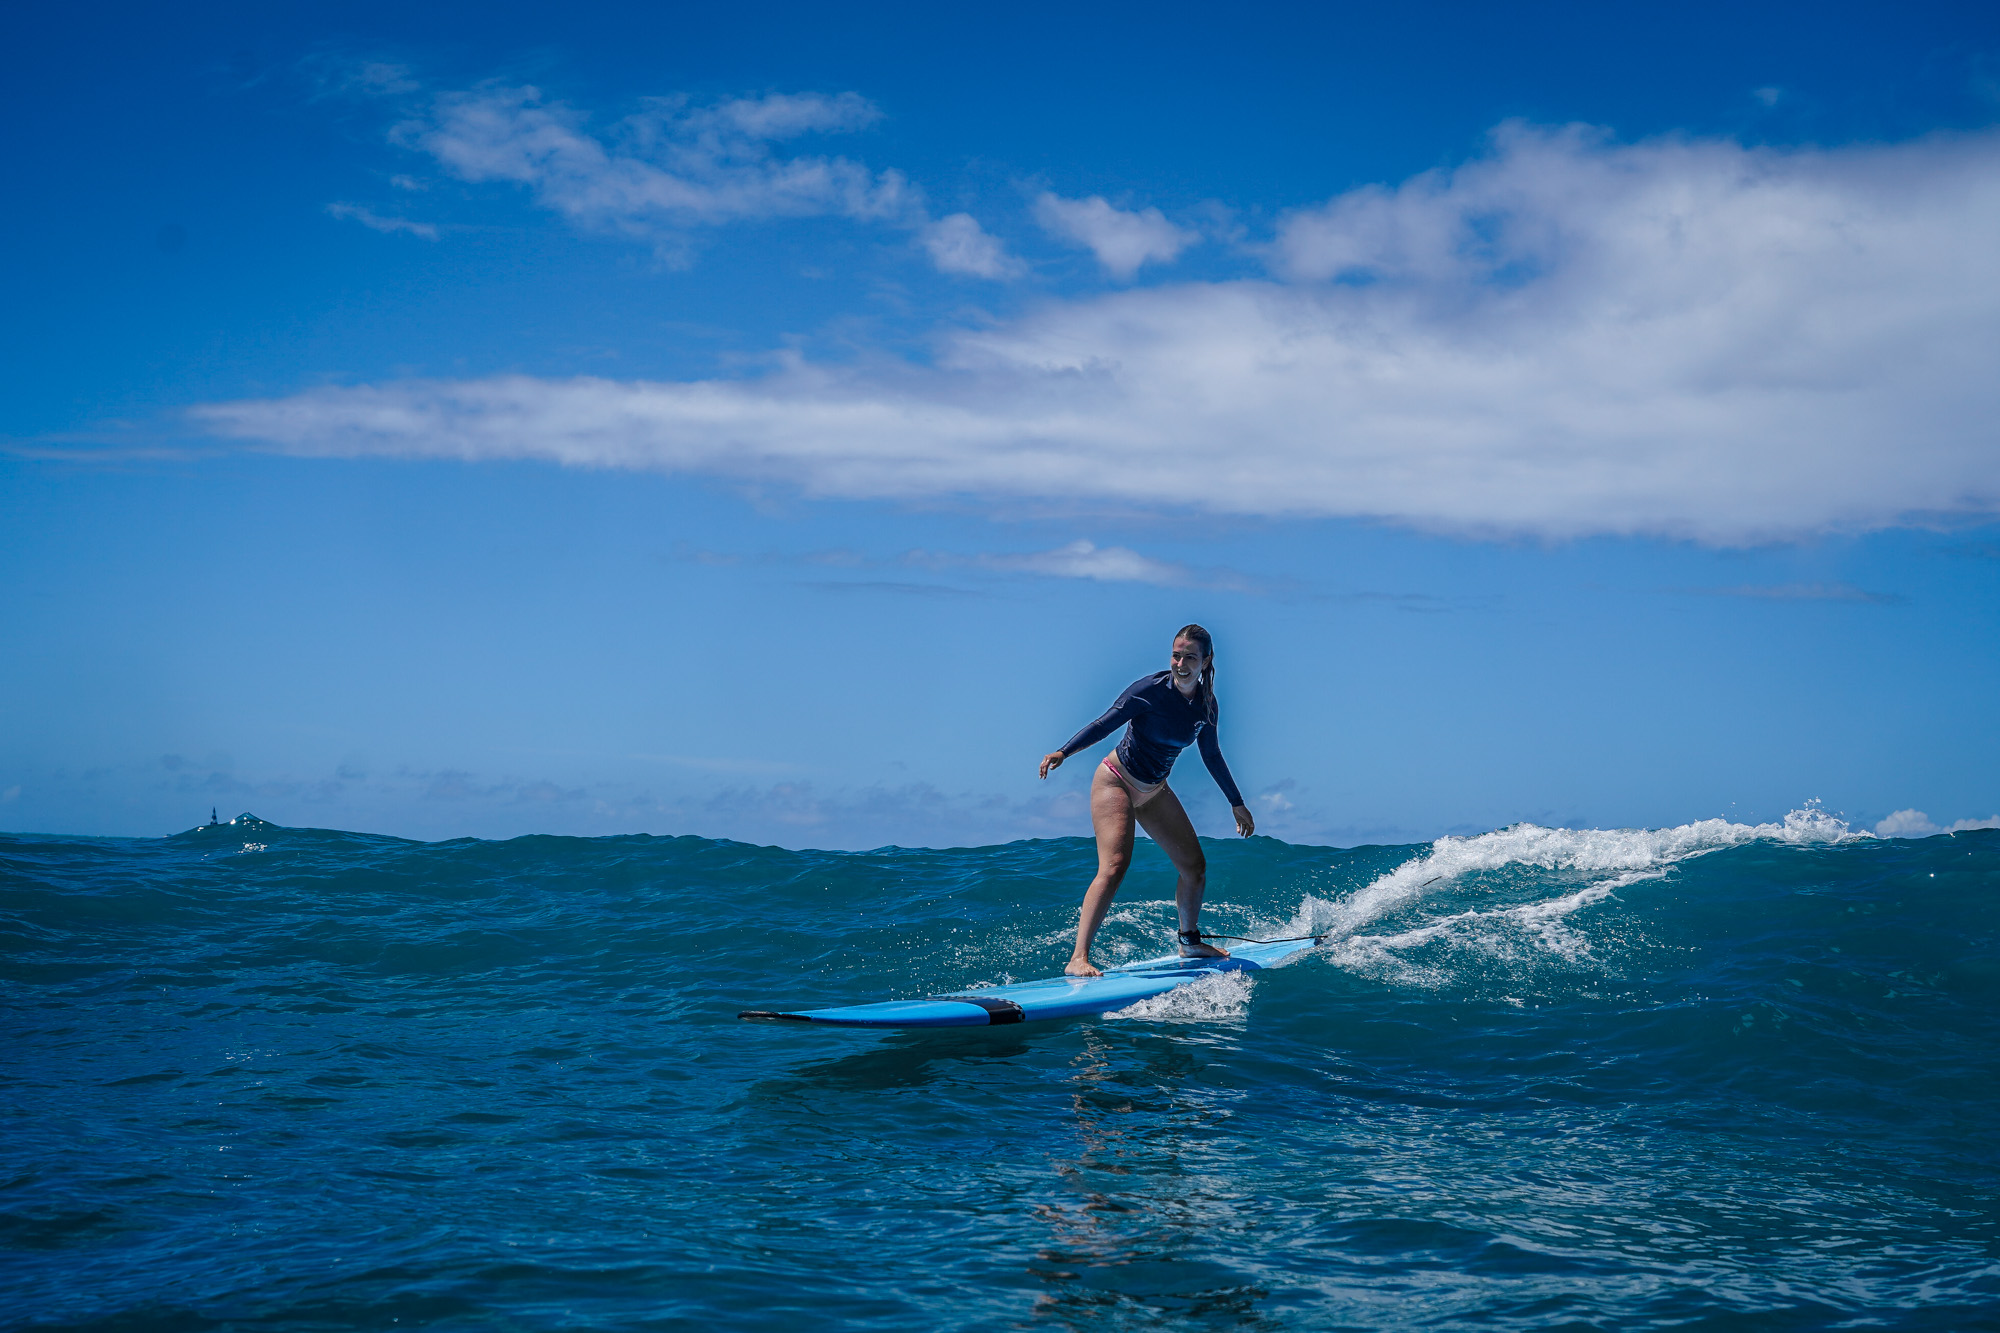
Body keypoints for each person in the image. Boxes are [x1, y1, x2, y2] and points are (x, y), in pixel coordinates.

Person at [1039, 624, 1254, 977]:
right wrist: (1064, 751)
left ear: (1206, 661)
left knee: (1194, 868)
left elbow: (1212, 754)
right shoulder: (1149, 691)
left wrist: (1236, 801)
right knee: (1114, 866)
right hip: (1116, 781)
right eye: (1176, 655)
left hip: (1154, 789)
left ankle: (1189, 942)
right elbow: (1104, 723)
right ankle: (1078, 957)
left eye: (1189, 657)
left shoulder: (1206, 704)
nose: (1180, 664)